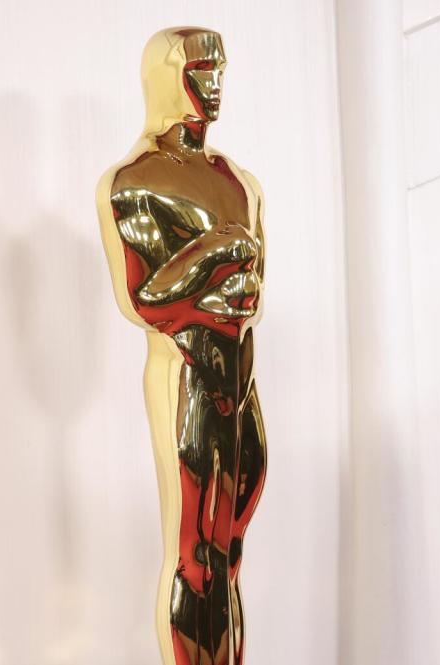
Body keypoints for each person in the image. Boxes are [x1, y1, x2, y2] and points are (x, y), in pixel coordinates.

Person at [97, 27, 267, 665]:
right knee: (196, 552)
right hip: (187, 372)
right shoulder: (133, 181)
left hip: (240, 375)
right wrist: (214, 252)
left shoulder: (237, 177)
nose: (215, 86)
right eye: (201, 71)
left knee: (231, 548)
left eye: (220, 70)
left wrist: (226, 276)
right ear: (170, 77)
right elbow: (144, 301)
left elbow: (253, 292)